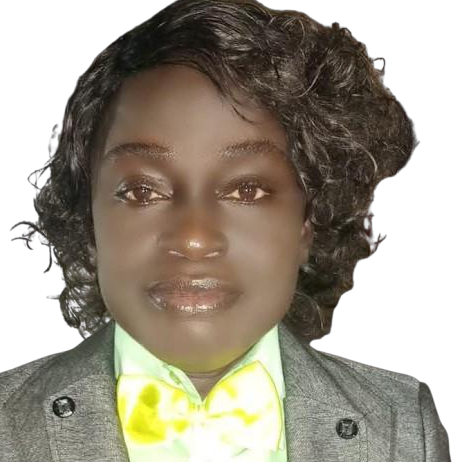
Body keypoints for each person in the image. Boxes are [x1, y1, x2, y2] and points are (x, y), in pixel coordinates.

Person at [1, 0, 450, 460]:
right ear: (88, 220)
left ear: (308, 222)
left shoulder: (401, 426)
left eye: (247, 190)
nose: (194, 239)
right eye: (141, 191)